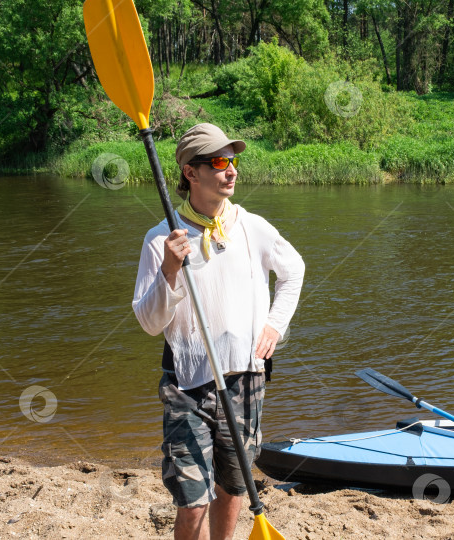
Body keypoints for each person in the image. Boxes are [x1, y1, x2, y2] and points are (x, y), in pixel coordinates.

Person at [132, 123, 305, 540]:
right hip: (187, 386)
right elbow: (150, 322)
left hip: (247, 378)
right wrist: (170, 271)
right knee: (192, 499)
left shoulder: (252, 226)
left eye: (233, 161)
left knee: (232, 487)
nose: (232, 171)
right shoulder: (161, 239)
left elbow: (294, 271)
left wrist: (274, 326)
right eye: (219, 162)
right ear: (191, 173)